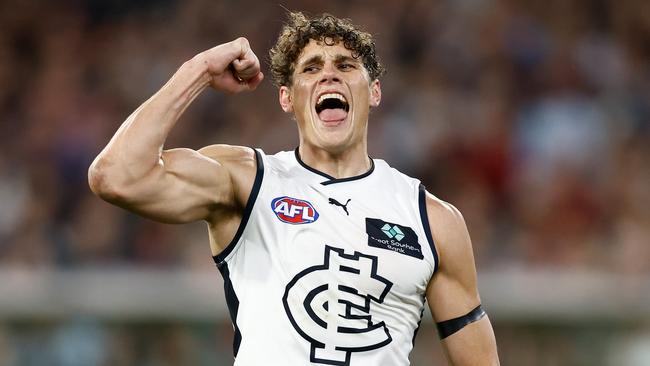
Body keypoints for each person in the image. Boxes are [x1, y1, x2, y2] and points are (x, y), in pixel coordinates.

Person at [88, 11, 500, 366]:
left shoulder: (432, 219)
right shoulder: (247, 181)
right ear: (287, 99)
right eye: (311, 68)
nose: (329, 75)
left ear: (373, 91)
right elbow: (116, 176)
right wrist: (198, 70)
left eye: (345, 65)